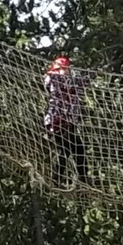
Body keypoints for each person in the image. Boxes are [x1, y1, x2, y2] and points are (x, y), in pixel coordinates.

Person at [44, 56, 87, 186]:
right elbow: (51, 80)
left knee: (75, 149)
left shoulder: (71, 82)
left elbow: (82, 83)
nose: (67, 71)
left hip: (68, 121)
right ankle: (58, 179)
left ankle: (81, 178)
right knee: (66, 149)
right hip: (58, 120)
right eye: (64, 69)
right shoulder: (53, 78)